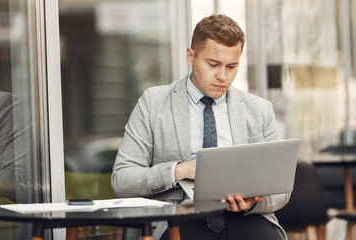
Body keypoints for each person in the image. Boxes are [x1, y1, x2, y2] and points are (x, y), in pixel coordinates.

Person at [112, 14, 289, 240]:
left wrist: (251, 204)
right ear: (190, 56)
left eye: (232, 66)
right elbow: (122, 180)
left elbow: (282, 190)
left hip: (247, 219)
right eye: (213, 64)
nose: (222, 76)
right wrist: (178, 171)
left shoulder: (259, 110)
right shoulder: (153, 103)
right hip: (181, 219)